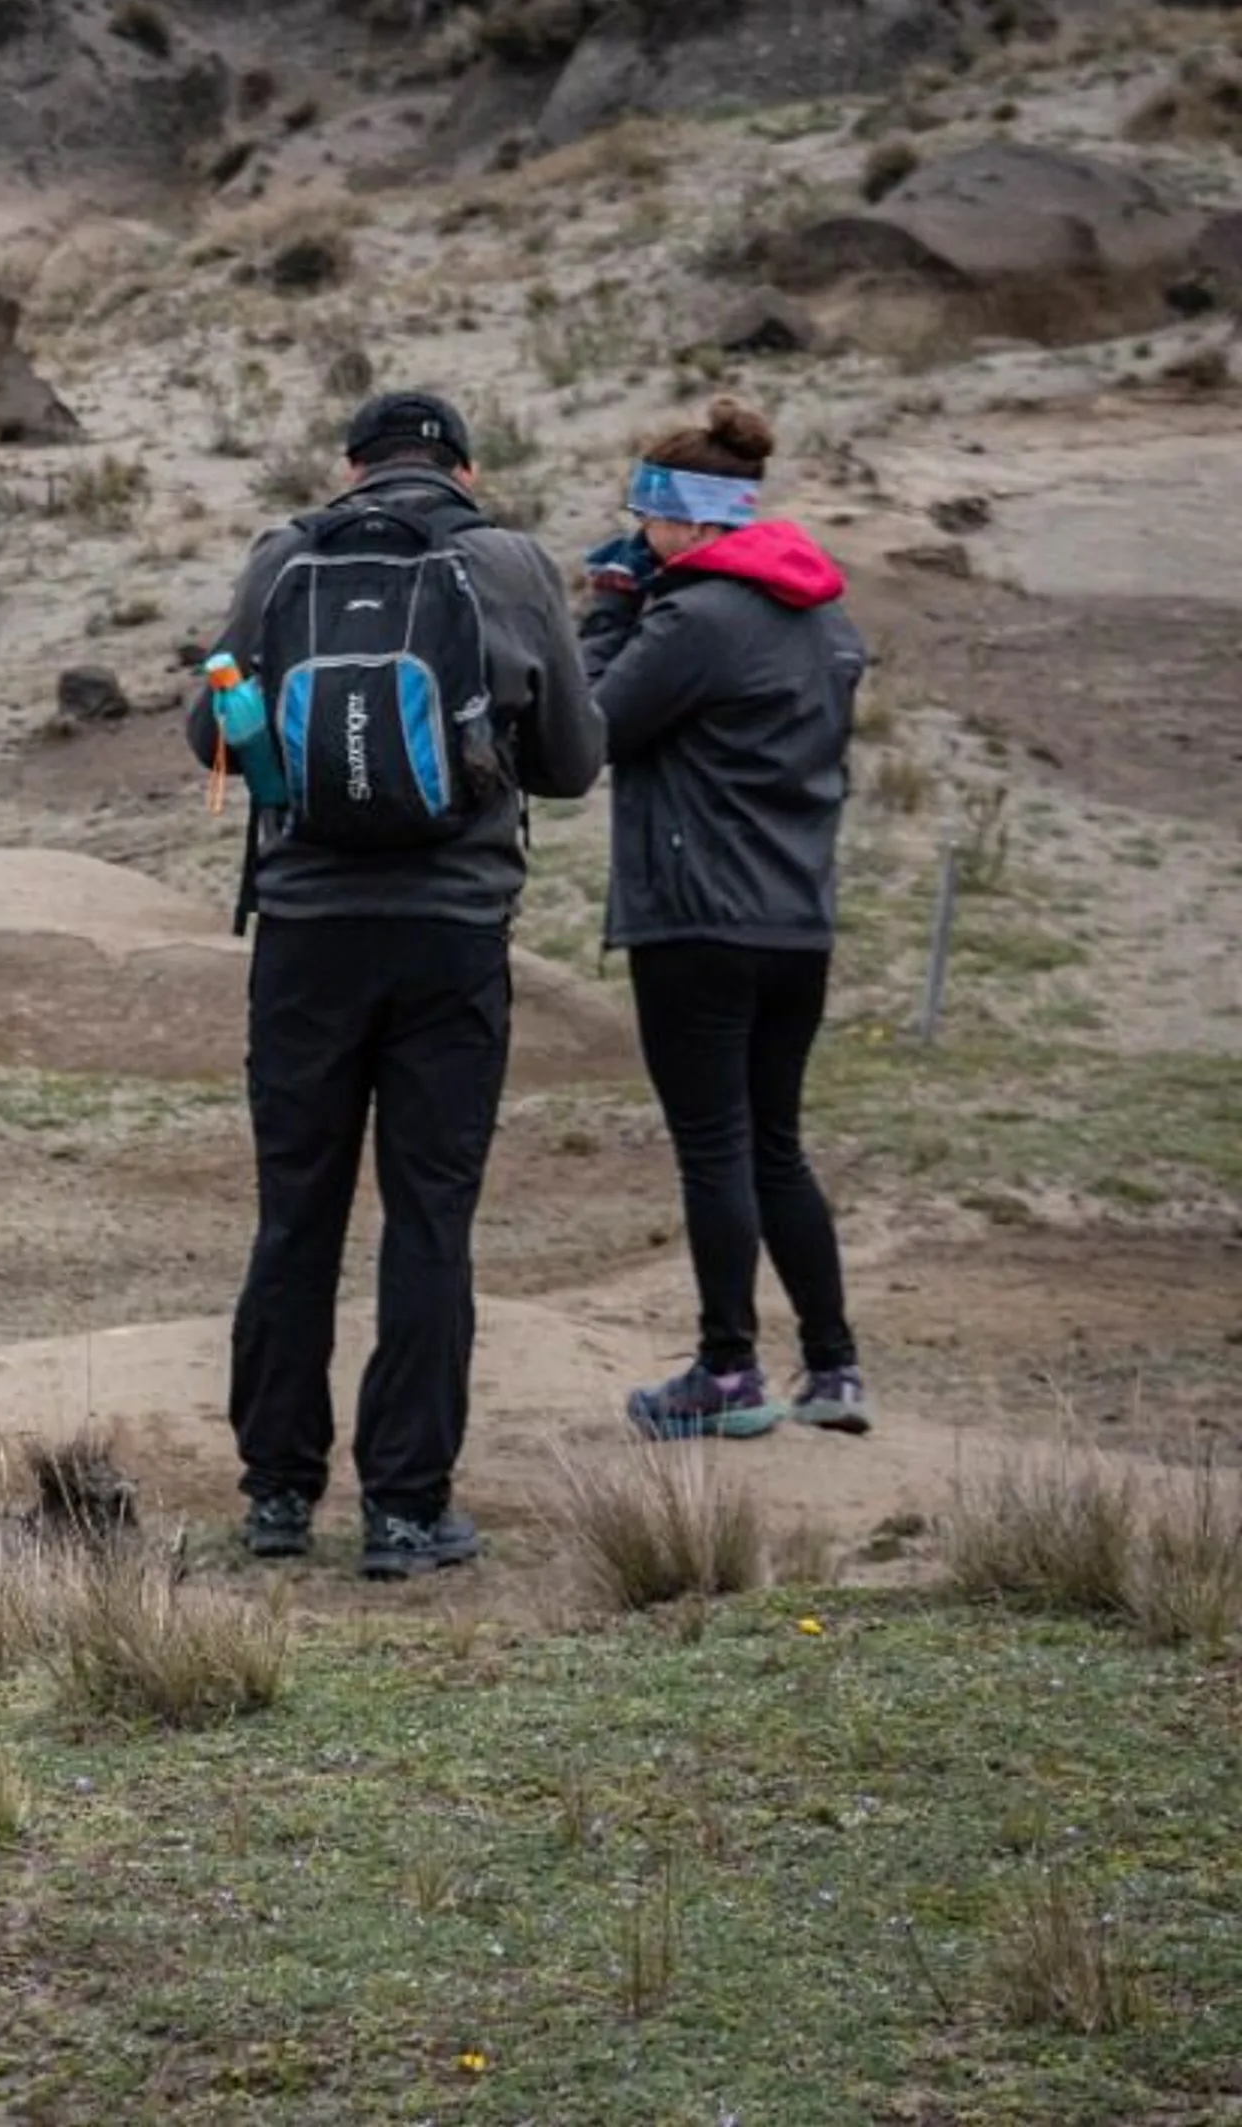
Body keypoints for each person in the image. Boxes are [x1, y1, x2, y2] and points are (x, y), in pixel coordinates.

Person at [185, 388, 603, 1578]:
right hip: (453, 939)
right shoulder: (510, 562)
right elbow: (571, 764)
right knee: (430, 1219)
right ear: (464, 471)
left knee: (294, 1213)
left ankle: (276, 1496)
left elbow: (206, 737)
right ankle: (408, 1511)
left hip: (306, 938)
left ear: (351, 466)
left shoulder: (284, 556)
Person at [580, 396, 874, 1441]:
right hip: (798, 917)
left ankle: (728, 1369)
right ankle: (833, 1369)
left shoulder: (695, 618)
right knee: (775, 1147)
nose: (638, 533)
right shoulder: (824, 616)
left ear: (688, 521)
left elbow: (591, 725)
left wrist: (612, 607)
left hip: (697, 915)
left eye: (645, 516)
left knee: (713, 1147)